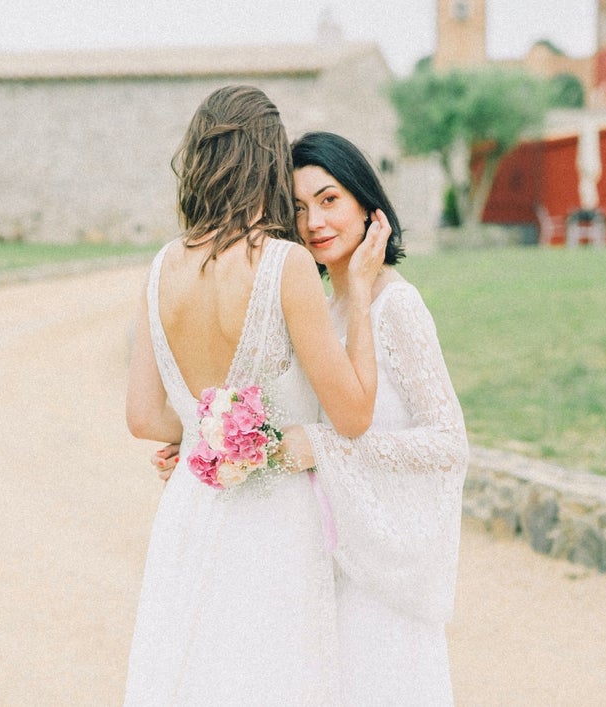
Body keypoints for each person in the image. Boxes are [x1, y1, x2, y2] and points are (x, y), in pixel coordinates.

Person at [152, 131, 469, 705]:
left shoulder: (397, 305)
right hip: (322, 554)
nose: (315, 222)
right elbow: (291, 421)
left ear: (367, 205)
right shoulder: (319, 309)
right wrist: (214, 444)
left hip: (377, 568)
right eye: (297, 209)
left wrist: (324, 446)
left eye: (329, 200)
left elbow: (449, 444)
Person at [124, 89, 390, 705]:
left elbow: (142, 417)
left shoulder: (162, 266)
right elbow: (353, 415)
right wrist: (360, 294)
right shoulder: (284, 264)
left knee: (191, 675)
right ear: (270, 161)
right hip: (272, 520)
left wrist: (207, 432)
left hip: (192, 504)